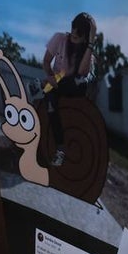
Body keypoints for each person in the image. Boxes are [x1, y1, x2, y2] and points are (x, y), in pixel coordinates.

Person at [42, 11, 96, 166]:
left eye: (77, 38)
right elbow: (46, 62)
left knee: (79, 81)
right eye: (72, 34)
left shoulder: (87, 52)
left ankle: (42, 85)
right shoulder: (59, 38)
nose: (72, 39)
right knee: (50, 98)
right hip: (57, 81)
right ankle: (60, 149)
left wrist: (91, 44)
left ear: (86, 38)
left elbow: (82, 73)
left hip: (73, 85)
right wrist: (50, 77)